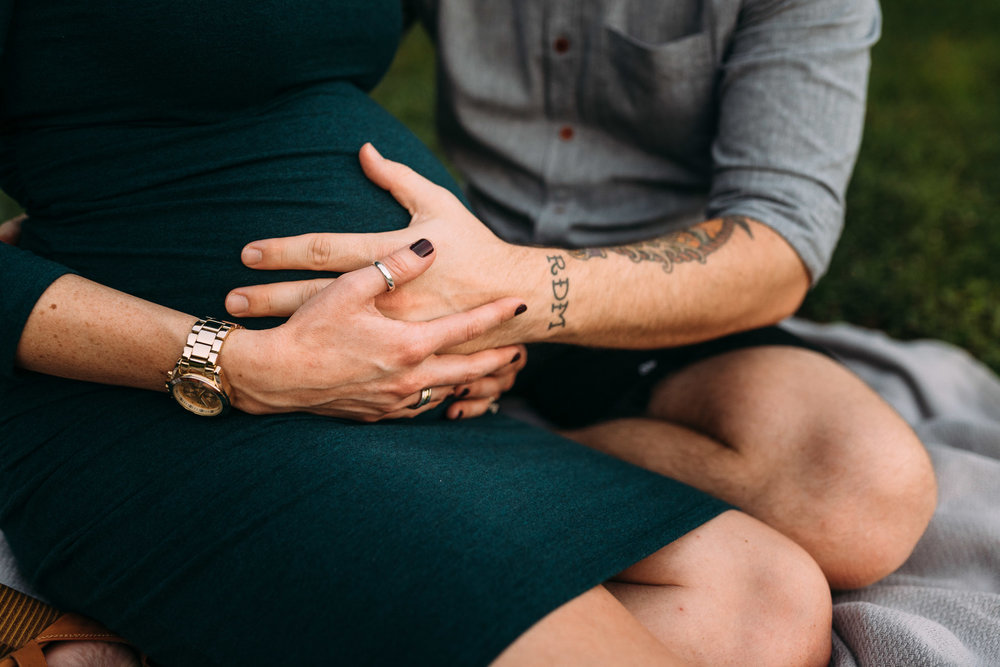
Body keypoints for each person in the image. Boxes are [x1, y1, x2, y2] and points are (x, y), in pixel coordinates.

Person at [0, 2, 836, 666]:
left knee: (765, 605)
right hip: (159, 398)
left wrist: (475, 312)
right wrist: (241, 362)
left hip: (380, 395)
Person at [225, 0, 937, 593]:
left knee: (862, 497)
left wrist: (515, 288)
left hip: (663, 302)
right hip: (458, 263)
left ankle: (494, 454)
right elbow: (300, 53)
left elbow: (779, 246)